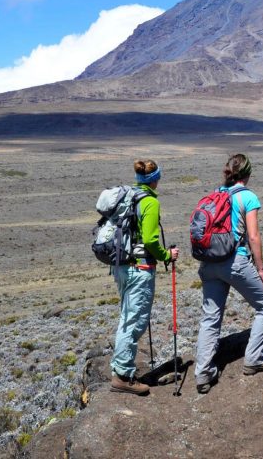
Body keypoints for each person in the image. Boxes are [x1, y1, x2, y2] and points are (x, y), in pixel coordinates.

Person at [195, 153, 263, 394]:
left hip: (209, 263)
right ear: (248, 174)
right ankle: (255, 358)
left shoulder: (217, 194)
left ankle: (203, 374)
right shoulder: (247, 197)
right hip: (234, 261)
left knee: (210, 318)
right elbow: (253, 236)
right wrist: (261, 270)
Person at [110, 159, 180, 395]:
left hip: (121, 267)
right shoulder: (149, 202)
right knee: (134, 322)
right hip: (139, 269)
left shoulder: (129, 197)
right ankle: (122, 376)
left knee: (127, 318)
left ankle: (121, 370)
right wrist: (166, 255)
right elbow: (150, 240)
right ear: (155, 179)